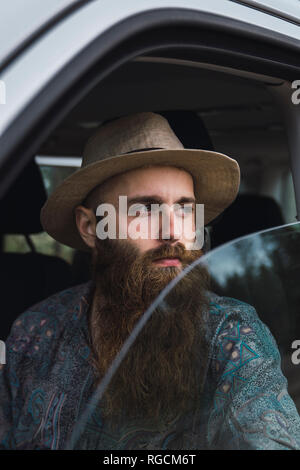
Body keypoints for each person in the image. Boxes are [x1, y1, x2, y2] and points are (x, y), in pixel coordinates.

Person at [1, 112, 300, 450]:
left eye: (185, 209)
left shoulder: (231, 333)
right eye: (145, 209)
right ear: (89, 228)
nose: (173, 231)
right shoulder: (35, 330)